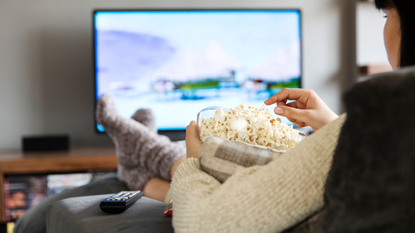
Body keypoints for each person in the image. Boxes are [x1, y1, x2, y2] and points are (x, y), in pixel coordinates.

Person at [14, 0, 410, 232]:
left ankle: (135, 156)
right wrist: (335, 126)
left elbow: (202, 221)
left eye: (386, 13)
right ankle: (137, 160)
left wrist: (192, 162)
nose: (386, 27)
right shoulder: (386, 123)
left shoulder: (386, 118)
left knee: (208, 157)